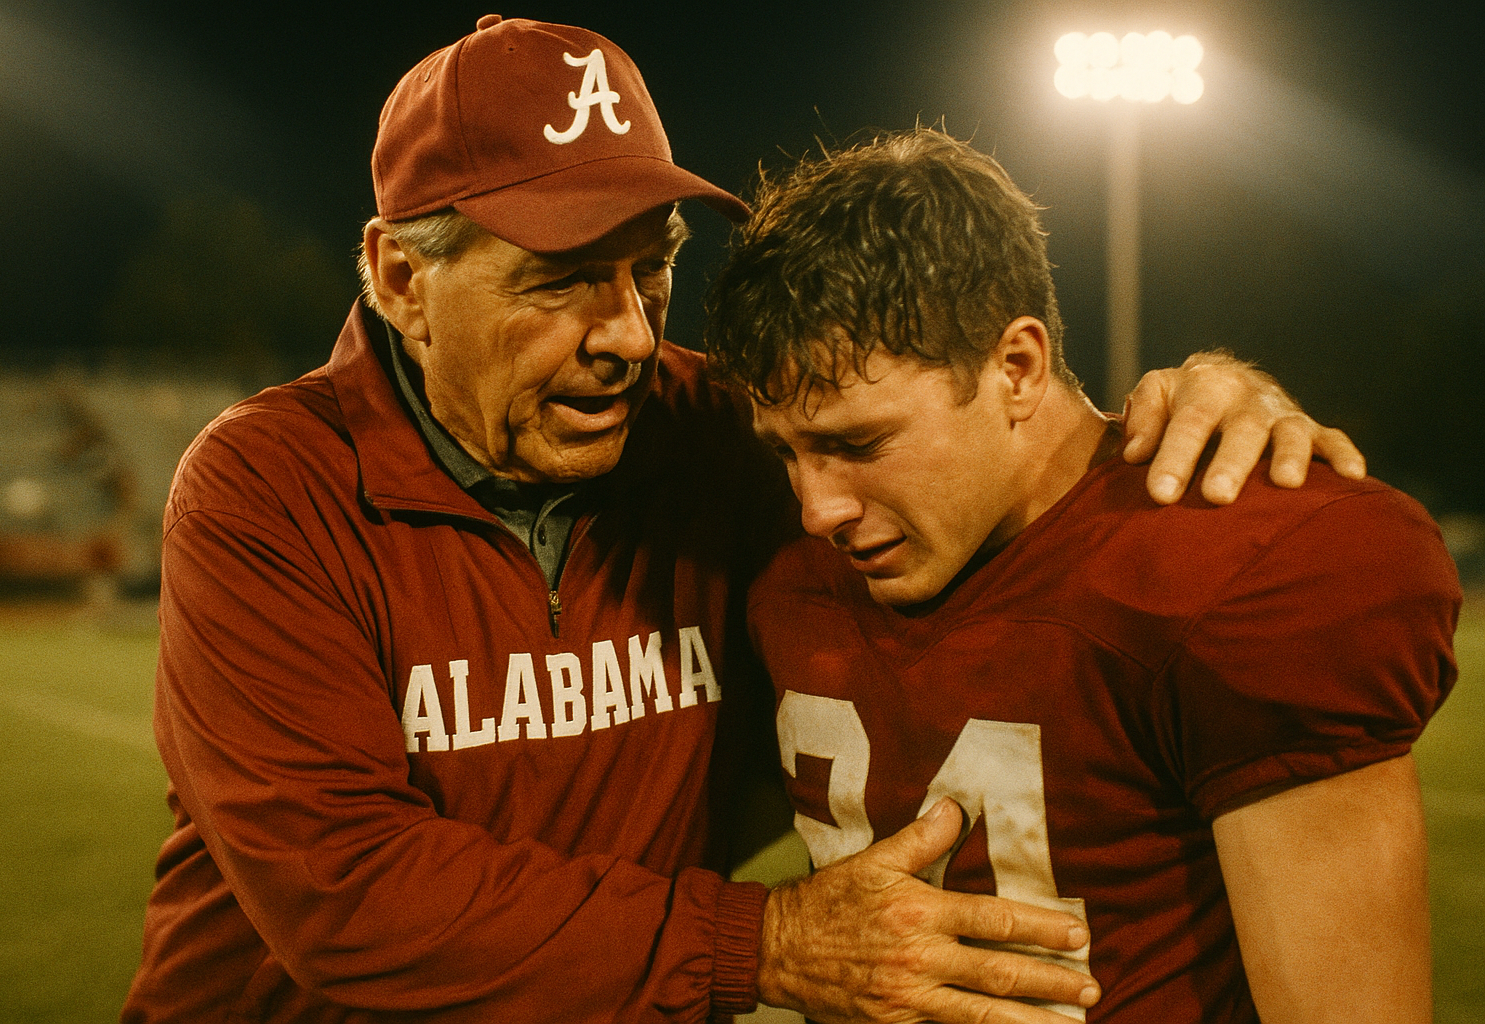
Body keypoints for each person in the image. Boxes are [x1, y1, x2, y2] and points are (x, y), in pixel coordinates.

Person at [124, 18, 1369, 1024]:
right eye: (562, 282)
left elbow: (975, 462)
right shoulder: (269, 489)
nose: (627, 333)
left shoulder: (724, 436)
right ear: (403, 278)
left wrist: (1181, 410)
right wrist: (763, 943)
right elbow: (345, 889)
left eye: (650, 267)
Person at [703, 127, 1458, 1023]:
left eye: (859, 443)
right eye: (786, 453)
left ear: (1016, 368)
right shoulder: (789, 571)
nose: (817, 509)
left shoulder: (1240, 564)